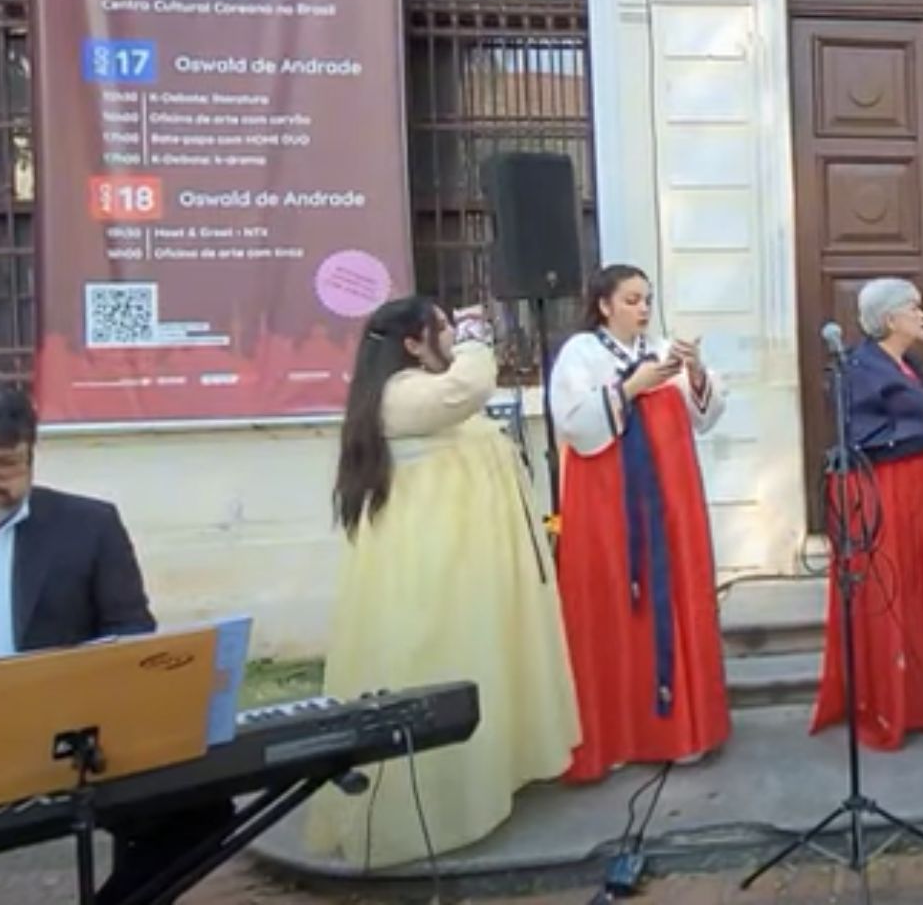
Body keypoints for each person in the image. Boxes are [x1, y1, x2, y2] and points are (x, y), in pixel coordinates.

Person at [306, 297, 578, 868]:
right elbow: (470, 387)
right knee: (439, 660)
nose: (454, 337)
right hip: (434, 565)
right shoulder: (403, 395)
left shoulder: (420, 389)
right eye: (445, 329)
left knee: (483, 660)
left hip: (466, 558)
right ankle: (434, 805)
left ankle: (495, 776)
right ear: (412, 342)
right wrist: (480, 336)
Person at [0, 381, 228, 904]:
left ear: (32, 456)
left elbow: (132, 640)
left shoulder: (88, 526)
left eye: (7, 465)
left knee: (201, 810)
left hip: (66, 747)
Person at [550, 265, 730, 782]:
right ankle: (623, 733)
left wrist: (694, 373)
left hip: (672, 497)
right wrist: (629, 389)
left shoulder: (663, 349)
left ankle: (684, 728)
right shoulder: (581, 354)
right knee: (615, 603)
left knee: (676, 595)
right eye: (631, 300)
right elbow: (575, 424)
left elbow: (705, 415)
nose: (643, 309)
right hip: (611, 501)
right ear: (604, 305)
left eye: (647, 299)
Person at [809, 278, 923, 749]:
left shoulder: (908, 362)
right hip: (887, 494)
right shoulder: (857, 368)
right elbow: (865, 435)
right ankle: (895, 702)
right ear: (890, 319)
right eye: (915, 307)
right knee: (895, 589)